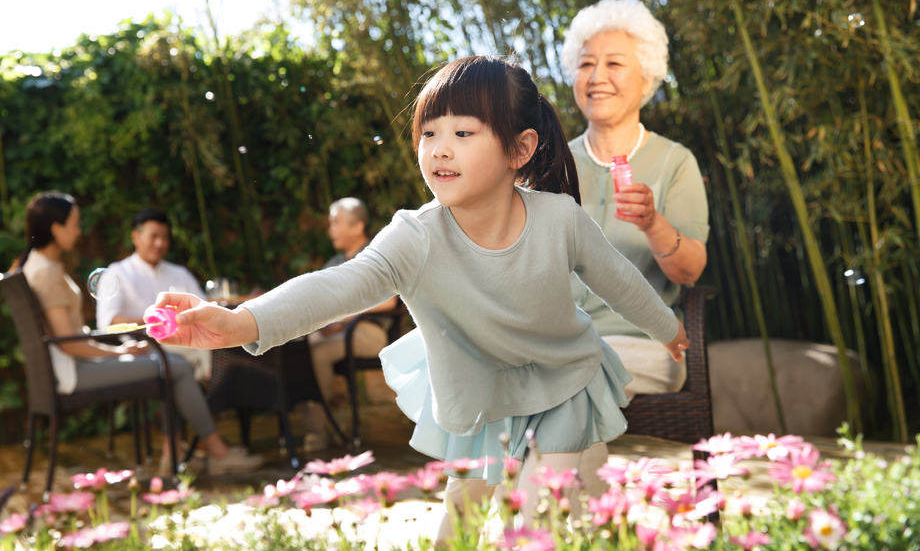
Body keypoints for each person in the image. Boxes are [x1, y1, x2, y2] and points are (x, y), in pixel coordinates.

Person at [150, 56, 688, 543]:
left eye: (462, 132)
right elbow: (340, 284)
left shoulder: (560, 220)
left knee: (537, 522)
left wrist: (666, 327)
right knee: (461, 523)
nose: (439, 149)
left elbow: (618, 279)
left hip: (564, 383)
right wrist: (243, 321)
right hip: (479, 396)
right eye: (428, 133)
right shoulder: (416, 235)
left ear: (518, 149)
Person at [559, 0, 709, 501]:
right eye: (585, 63)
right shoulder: (548, 164)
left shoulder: (673, 163)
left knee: (570, 381)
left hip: (645, 344)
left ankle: (565, 527)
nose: (597, 75)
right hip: (557, 341)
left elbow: (689, 271)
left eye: (614, 63)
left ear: (646, 78)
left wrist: (652, 222)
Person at [11, 192, 263, 476]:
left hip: (72, 365)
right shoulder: (46, 272)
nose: (79, 231)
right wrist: (120, 352)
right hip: (74, 370)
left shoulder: (39, 266)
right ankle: (216, 451)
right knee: (175, 366)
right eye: (75, 224)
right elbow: (69, 344)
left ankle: (179, 452)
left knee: (172, 366)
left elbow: (67, 339)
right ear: (56, 228)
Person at [303, 197, 398, 451]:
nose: (330, 230)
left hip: (369, 332)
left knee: (317, 354)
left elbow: (389, 302)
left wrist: (344, 318)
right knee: (299, 349)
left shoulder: (376, 255)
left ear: (358, 227)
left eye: (336, 223)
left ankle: (320, 431)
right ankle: (330, 426)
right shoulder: (334, 263)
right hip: (337, 333)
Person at [95, 209, 211, 381]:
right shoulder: (118, 273)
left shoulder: (180, 273)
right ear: (135, 237)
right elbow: (107, 322)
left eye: (165, 237)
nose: (160, 243)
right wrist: (155, 320)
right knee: (210, 348)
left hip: (185, 338)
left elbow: (205, 306)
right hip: (147, 346)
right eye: (153, 236)